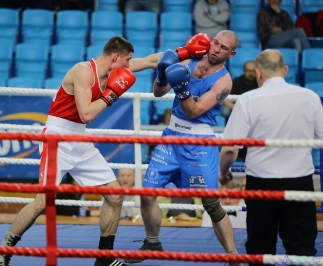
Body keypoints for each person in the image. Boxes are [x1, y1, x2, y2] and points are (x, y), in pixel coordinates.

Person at [0, 36, 162, 266]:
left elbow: (152, 61)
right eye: (127, 60)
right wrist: (112, 94)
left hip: (79, 137)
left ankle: (104, 259)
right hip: (57, 137)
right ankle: (1, 251)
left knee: (116, 195)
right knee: (43, 201)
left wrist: (187, 54)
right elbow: (87, 114)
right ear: (115, 57)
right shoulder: (83, 71)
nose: (129, 65)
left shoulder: (115, 69)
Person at [124, 30, 242, 266]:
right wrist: (161, 75)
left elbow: (194, 111)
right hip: (171, 136)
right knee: (147, 194)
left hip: (199, 143)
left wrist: (181, 86)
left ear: (232, 53)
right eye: (215, 43)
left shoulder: (224, 82)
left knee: (210, 203)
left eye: (223, 48)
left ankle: (232, 256)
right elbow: (158, 93)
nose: (216, 49)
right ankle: (153, 242)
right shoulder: (189, 58)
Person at [219, 49, 322, 265]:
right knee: (302, 248)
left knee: (260, 248)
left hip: (261, 184)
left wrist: (223, 172)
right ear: (285, 70)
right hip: (299, 183)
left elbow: (229, 149)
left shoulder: (248, 99)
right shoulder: (310, 97)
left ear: (258, 73)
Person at [221, 60, 258, 161]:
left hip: (253, 111)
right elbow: (227, 101)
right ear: (244, 71)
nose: (250, 73)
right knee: (226, 111)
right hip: (237, 111)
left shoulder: (259, 84)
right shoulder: (237, 82)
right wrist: (240, 110)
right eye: (248, 70)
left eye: (252, 71)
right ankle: (230, 137)